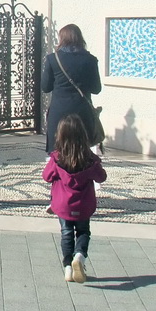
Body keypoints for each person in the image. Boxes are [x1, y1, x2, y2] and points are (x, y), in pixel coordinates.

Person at [43, 114, 107, 283]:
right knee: (83, 232)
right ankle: (79, 256)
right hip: (84, 204)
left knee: (66, 233)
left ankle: (67, 267)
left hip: (63, 205)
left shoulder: (57, 158)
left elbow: (46, 176)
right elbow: (101, 177)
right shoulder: (90, 160)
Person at [41, 23, 102, 153]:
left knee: (57, 150)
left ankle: (57, 172)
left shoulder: (53, 59)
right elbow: (96, 88)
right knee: (81, 149)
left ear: (62, 39)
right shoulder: (90, 60)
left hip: (59, 111)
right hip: (82, 112)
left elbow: (45, 87)